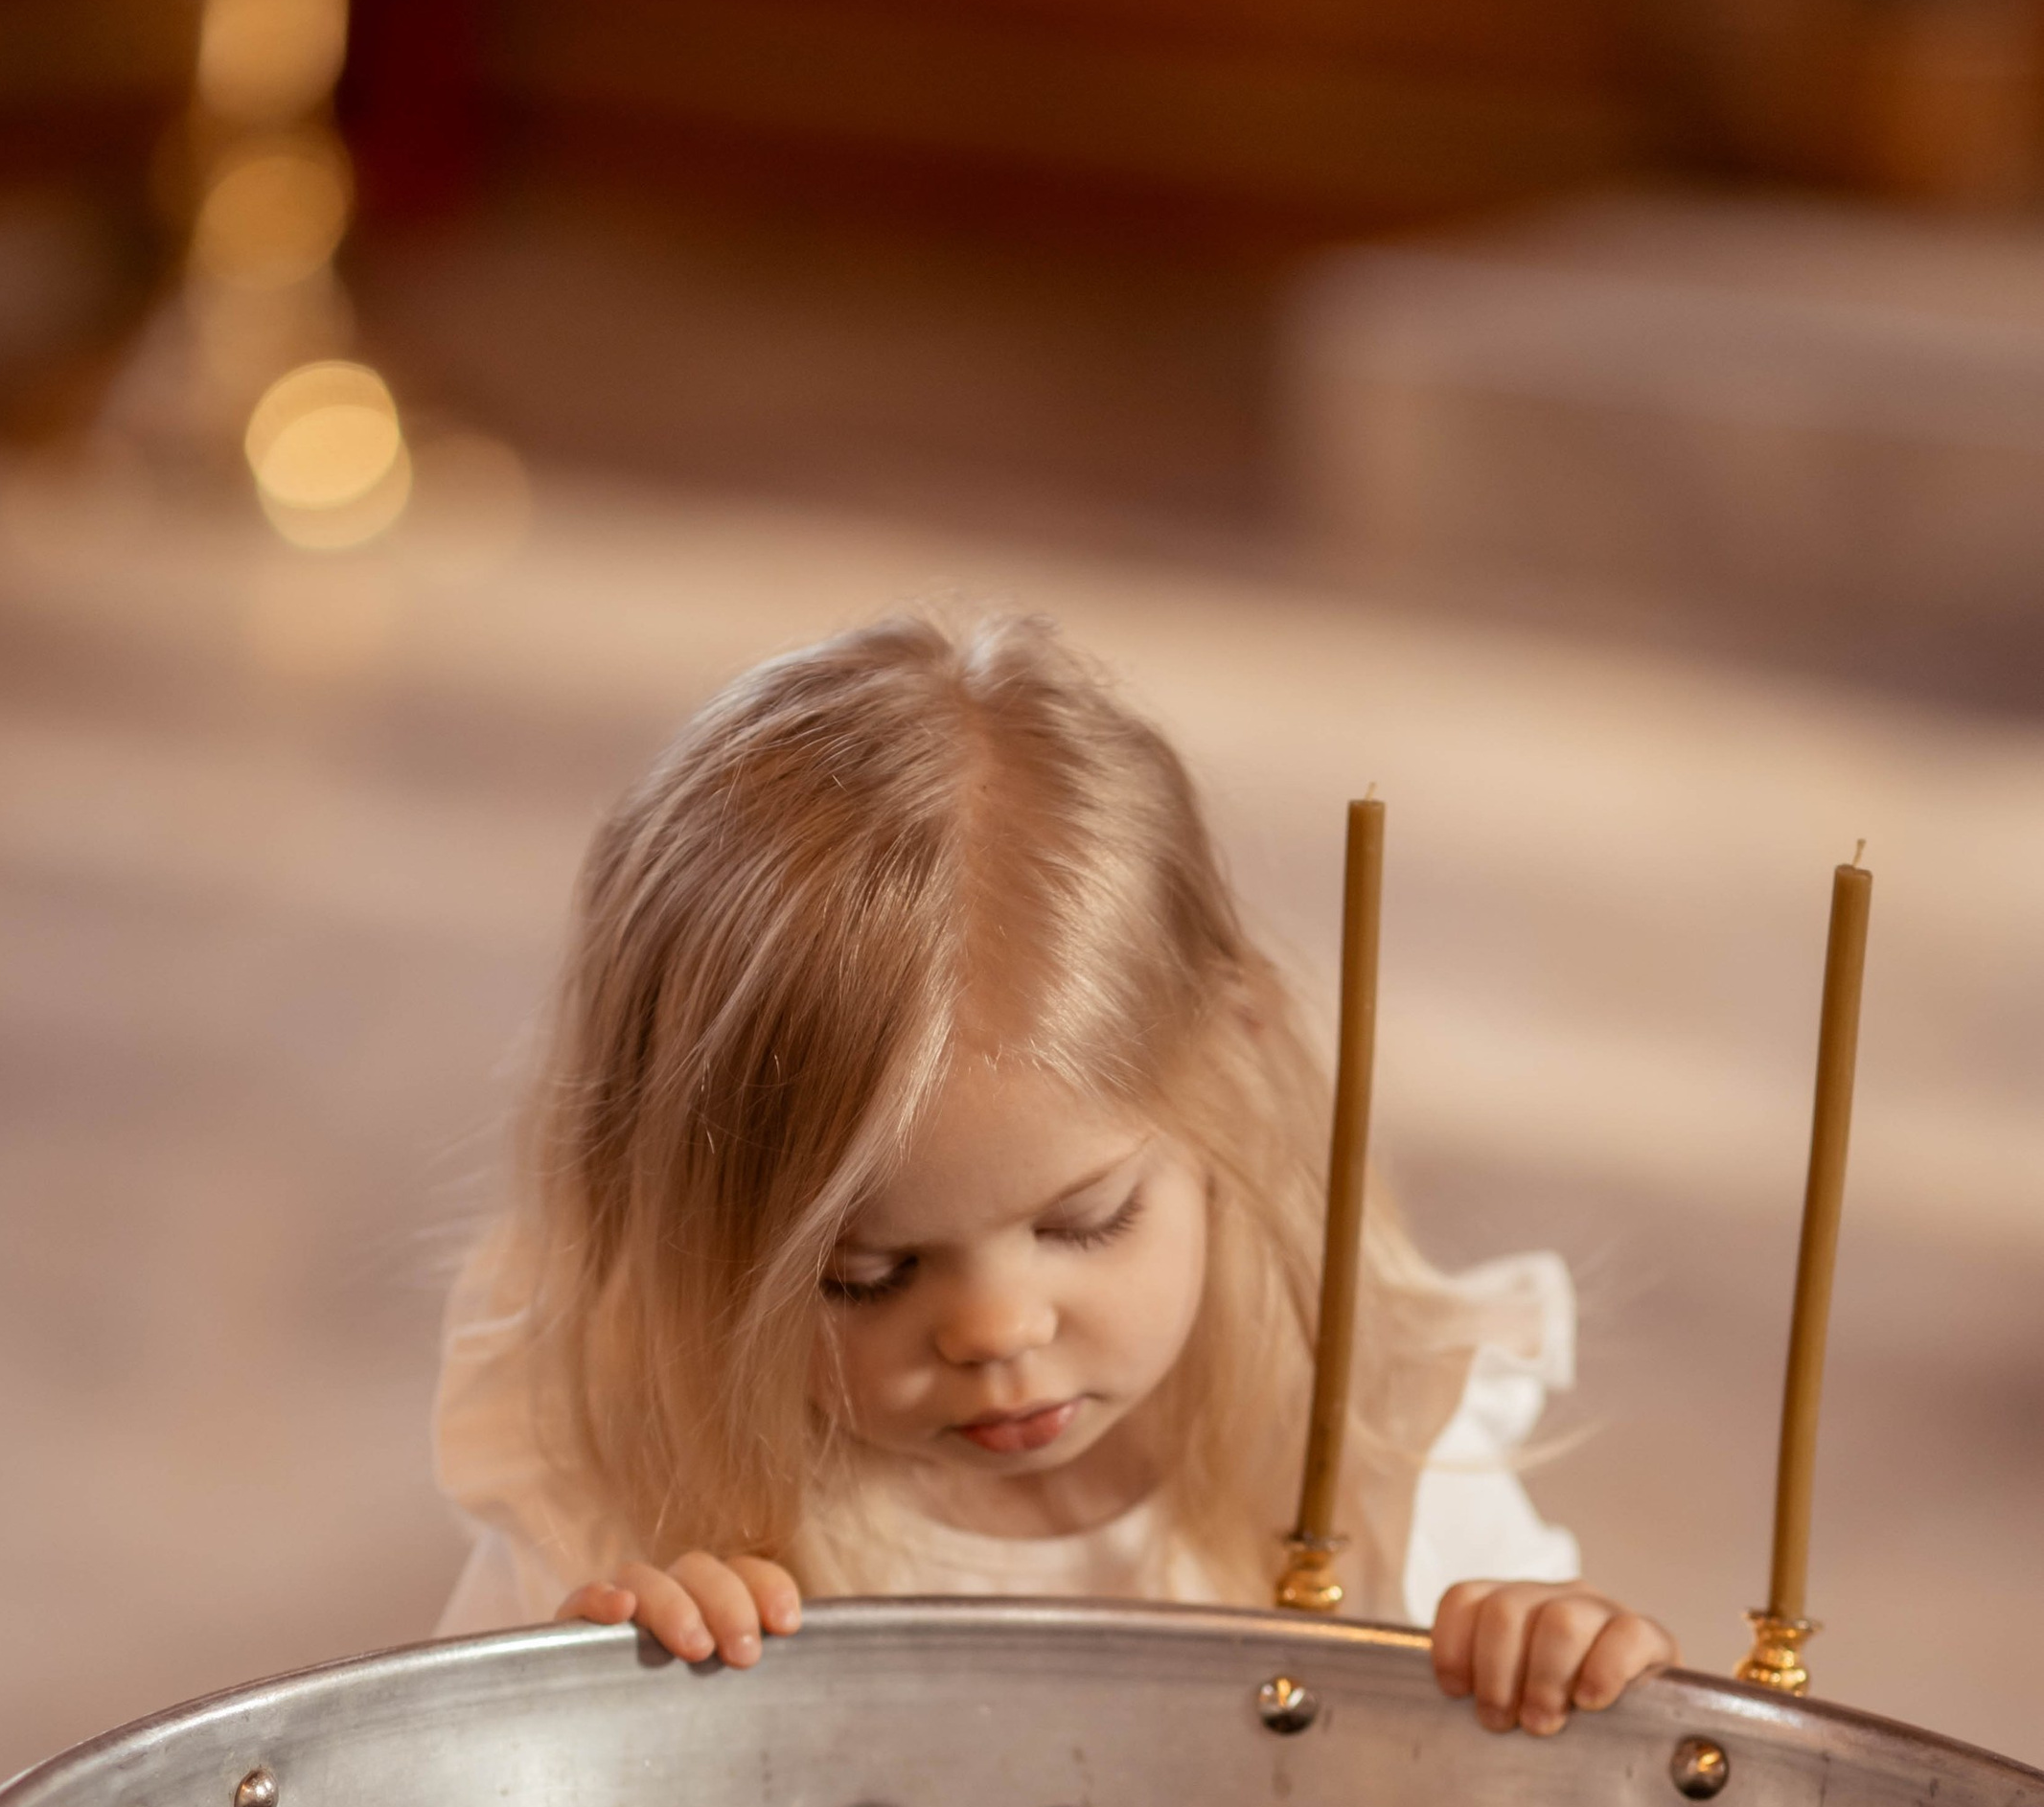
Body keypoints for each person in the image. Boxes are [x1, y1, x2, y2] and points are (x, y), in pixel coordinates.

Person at [435, 608, 1673, 1724]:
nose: (993, 1329)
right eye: (863, 1277)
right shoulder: (622, 1472)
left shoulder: (1371, 1442)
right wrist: (583, 1710)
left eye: (1086, 1221)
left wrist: (1549, 1658)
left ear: (1230, 1068)